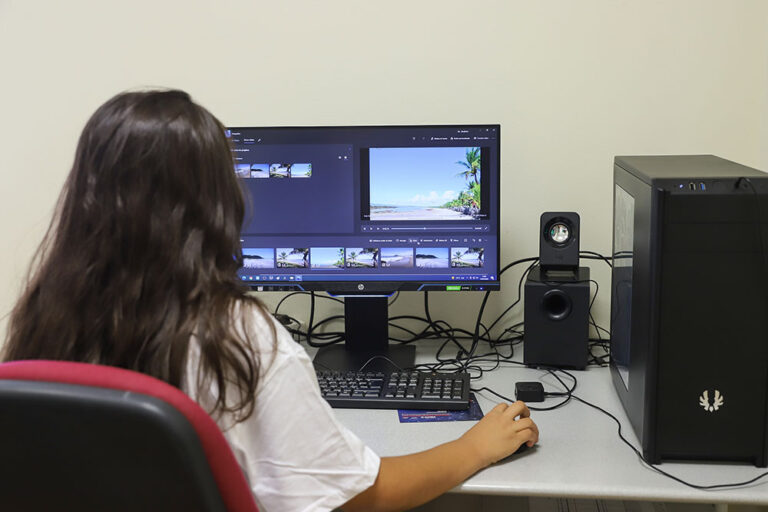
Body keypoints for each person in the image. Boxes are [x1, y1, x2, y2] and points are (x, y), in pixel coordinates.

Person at [2, 89, 538, 512]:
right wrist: (476, 445)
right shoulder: (235, 336)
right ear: (219, 201)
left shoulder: (45, 316)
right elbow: (359, 497)